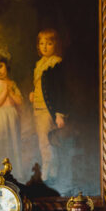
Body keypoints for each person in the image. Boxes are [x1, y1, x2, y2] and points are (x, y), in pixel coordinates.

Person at [29, 29, 69, 181]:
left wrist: (59, 113)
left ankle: (48, 170)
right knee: (44, 140)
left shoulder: (56, 63)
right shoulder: (39, 64)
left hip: (48, 110)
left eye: (49, 43)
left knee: (46, 142)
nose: (44, 47)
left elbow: (60, 90)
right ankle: (53, 170)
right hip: (38, 108)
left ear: (56, 45)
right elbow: (41, 85)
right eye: (41, 43)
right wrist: (33, 93)